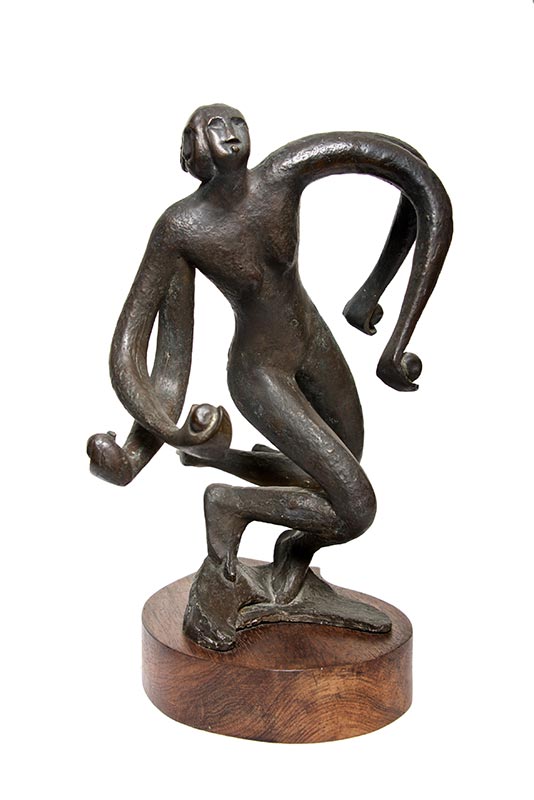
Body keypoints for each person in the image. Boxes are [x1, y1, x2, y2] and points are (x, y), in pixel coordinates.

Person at [88, 104, 453, 649]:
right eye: (213, 127)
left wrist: (382, 308)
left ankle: (288, 564)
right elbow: (149, 353)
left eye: (235, 121)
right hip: (260, 371)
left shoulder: (284, 174)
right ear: (192, 151)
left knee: (334, 470)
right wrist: (146, 448)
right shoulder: (181, 228)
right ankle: (228, 504)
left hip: (312, 341)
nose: (229, 133)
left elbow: (417, 181)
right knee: (356, 508)